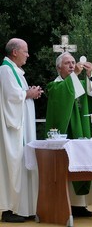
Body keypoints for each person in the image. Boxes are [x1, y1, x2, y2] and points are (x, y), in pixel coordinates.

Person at [45, 52, 92, 217]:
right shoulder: (54, 86)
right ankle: (64, 203)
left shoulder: (78, 83)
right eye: (67, 63)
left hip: (83, 130)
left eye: (73, 62)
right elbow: (62, 97)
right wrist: (76, 75)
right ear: (58, 68)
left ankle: (81, 204)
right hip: (66, 133)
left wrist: (90, 75)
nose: (72, 65)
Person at [0, 38, 43, 222]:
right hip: (12, 131)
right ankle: (9, 210)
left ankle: (23, 208)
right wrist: (29, 93)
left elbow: (18, 94)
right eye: (25, 51)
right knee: (12, 167)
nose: (28, 54)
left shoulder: (15, 71)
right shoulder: (5, 70)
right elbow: (11, 96)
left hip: (20, 130)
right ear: (15, 52)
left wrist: (29, 92)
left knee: (20, 165)